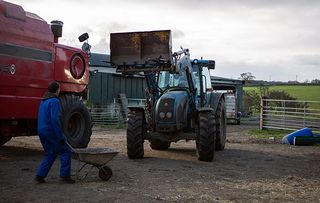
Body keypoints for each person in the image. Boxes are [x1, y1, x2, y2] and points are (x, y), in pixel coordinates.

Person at [35, 81, 75, 184]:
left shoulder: (43, 100)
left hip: (41, 130)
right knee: (66, 150)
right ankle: (65, 176)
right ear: (57, 90)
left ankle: (40, 175)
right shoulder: (54, 101)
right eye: (59, 88)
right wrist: (60, 136)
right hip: (50, 130)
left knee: (50, 153)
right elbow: (54, 120)